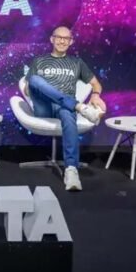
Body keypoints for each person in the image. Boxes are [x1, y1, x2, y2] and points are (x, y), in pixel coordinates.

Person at [24, 26, 106, 191]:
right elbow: (27, 89)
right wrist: (36, 87)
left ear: (71, 42)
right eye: (59, 37)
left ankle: (71, 170)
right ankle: (79, 107)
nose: (62, 41)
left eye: (66, 38)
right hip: (44, 106)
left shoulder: (77, 63)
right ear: (52, 39)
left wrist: (96, 95)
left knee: (68, 115)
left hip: (64, 107)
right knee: (35, 79)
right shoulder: (39, 61)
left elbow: (96, 84)